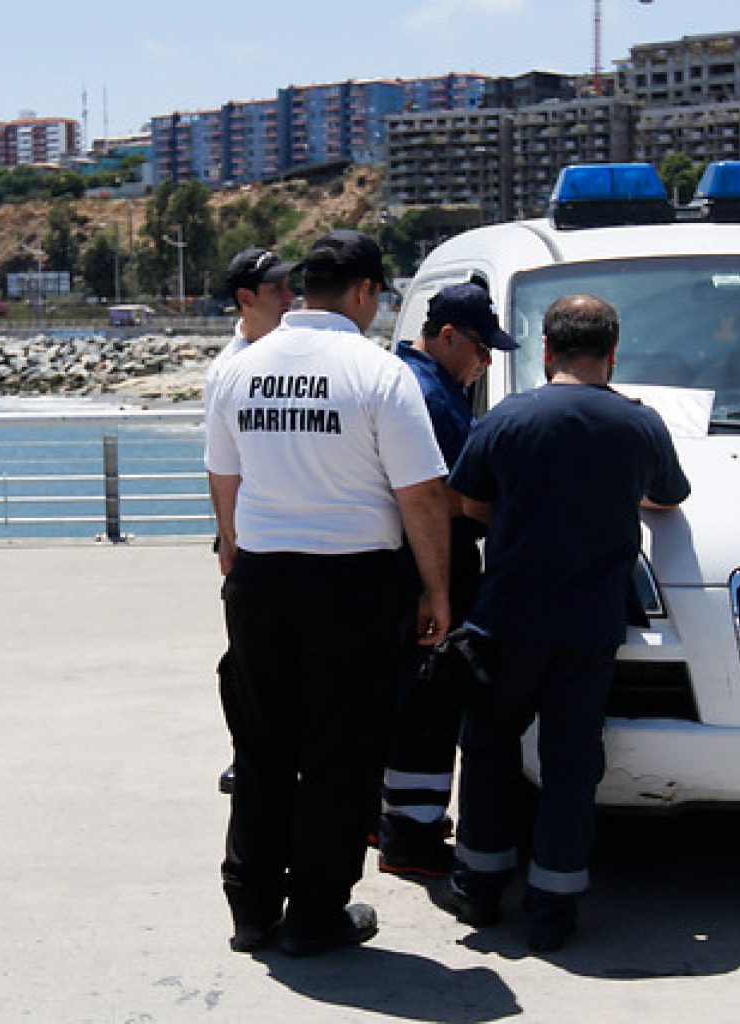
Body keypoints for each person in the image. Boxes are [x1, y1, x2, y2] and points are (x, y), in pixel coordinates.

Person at [205, 228, 451, 957]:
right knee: (340, 753)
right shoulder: (378, 372)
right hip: (351, 582)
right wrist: (436, 589)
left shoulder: (241, 368)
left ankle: (251, 906)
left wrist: (233, 549)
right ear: (365, 291)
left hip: (261, 578)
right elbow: (421, 495)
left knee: (262, 744)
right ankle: (315, 912)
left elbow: (224, 475)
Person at [442, 294, 690, 952]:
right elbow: (668, 497)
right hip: (589, 627)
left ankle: (480, 886)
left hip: (508, 619)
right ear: (613, 353)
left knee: (489, 749)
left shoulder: (507, 417)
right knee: (572, 766)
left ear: (547, 349)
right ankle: (554, 906)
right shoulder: (639, 423)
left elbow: (468, 501)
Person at [379, 282, 519, 879]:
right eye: (482, 349)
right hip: (432, 561)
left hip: (403, 561)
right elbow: (446, 495)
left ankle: (394, 819)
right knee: (431, 700)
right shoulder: (432, 396)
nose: (486, 362)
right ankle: (411, 837)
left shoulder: (404, 378)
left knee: (405, 698)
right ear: (447, 336)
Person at [204, 246, 295, 797]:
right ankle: (249, 754)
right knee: (247, 656)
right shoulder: (228, 370)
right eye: (277, 289)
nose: (290, 297)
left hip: (303, 531)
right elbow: (221, 466)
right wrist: (229, 540)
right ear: (245, 298)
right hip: (253, 536)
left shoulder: (302, 351)